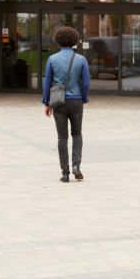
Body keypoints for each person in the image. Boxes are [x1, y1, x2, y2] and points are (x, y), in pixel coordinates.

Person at [42, 26, 91, 183]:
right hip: (76, 100)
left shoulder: (52, 59)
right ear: (74, 41)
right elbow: (86, 83)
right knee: (77, 133)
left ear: (58, 41)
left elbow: (47, 82)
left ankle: (65, 173)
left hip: (58, 102)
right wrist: (83, 98)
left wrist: (46, 102)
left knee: (62, 137)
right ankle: (76, 165)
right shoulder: (81, 60)